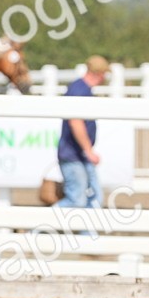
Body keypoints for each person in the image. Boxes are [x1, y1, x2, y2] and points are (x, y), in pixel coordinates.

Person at [55, 55, 110, 209]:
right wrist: (88, 150)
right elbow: (76, 122)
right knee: (77, 200)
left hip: (78, 155)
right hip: (75, 155)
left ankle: (86, 234)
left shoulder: (79, 88)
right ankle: (35, 227)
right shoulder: (81, 90)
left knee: (93, 199)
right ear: (100, 73)